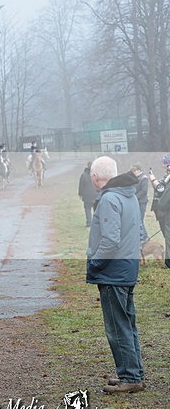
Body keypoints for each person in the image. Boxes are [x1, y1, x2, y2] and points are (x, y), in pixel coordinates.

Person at [85, 156, 145, 393]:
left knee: (117, 327)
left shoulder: (110, 198)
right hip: (127, 269)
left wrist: (95, 264)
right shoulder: (128, 195)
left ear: (95, 177)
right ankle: (133, 373)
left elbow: (110, 240)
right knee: (128, 324)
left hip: (113, 273)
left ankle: (130, 377)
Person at [147, 154, 170, 268]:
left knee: (168, 236)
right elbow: (159, 188)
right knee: (166, 236)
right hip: (161, 212)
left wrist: (153, 179)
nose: (164, 166)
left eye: (166, 163)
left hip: (165, 211)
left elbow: (161, 189)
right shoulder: (166, 177)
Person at [130, 163, 149, 244]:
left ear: (138, 170)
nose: (133, 172)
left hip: (141, 202)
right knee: (138, 220)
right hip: (136, 202)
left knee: (139, 219)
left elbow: (144, 191)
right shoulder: (135, 178)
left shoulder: (144, 178)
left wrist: (135, 197)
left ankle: (144, 237)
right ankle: (142, 236)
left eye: (134, 171)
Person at [78, 161, 97, 227]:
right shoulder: (96, 174)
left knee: (87, 209)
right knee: (96, 209)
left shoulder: (83, 175)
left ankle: (89, 222)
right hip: (95, 194)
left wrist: (80, 194)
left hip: (87, 195)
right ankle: (96, 223)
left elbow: (81, 186)